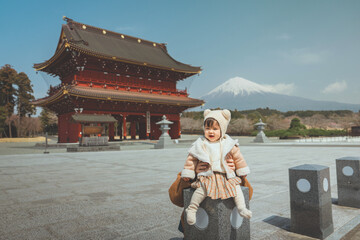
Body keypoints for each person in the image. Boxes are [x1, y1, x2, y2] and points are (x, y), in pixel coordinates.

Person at [181, 109, 252, 225]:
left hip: (225, 176)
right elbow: (191, 160)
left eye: (215, 129)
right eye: (207, 128)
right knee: (202, 190)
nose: (211, 132)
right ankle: (192, 209)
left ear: (222, 130)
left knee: (236, 188)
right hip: (208, 175)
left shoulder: (228, 144)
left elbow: (239, 158)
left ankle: (241, 208)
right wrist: (188, 173)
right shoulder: (201, 144)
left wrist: (241, 169)